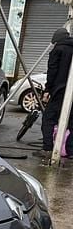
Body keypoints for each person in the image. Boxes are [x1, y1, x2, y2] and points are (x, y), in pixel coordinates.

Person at [41, 26, 73, 157]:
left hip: (59, 90)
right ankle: (70, 151)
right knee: (71, 120)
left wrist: (48, 89)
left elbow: (52, 71)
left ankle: (48, 148)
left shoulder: (58, 50)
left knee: (48, 118)